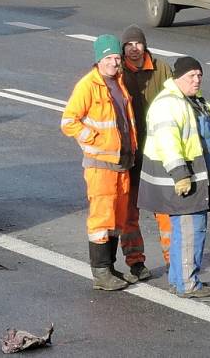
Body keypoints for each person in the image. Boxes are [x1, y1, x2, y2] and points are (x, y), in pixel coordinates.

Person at [138, 57, 210, 300]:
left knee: (184, 230)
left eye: (199, 75)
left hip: (196, 177)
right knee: (192, 230)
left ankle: (179, 280)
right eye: (191, 75)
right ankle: (188, 283)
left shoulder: (194, 101)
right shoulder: (169, 104)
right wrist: (181, 175)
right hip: (184, 180)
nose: (197, 80)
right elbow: (168, 143)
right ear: (177, 77)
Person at [61, 34, 138, 291]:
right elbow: (69, 121)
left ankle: (111, 267)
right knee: (102, 219)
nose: (115, 63)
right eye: (109, 58)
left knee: (117, 218)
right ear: (99, 60)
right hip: (101, 164)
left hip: (121, 163)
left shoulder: (119, 82)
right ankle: (100, 272)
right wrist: (93, 139)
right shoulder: (88, 85)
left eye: (117, 58)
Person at [120, 25, 173, 279]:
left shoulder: (161, 68)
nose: (134, 49)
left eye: (137, 44)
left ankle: (174, 259)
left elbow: (176, 99)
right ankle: (135, 262)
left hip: (157, 151)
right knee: (129, 212)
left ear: (145, 46)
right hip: (130, 153)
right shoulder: (117, 70)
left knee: (164, 208)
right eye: (128, 45)